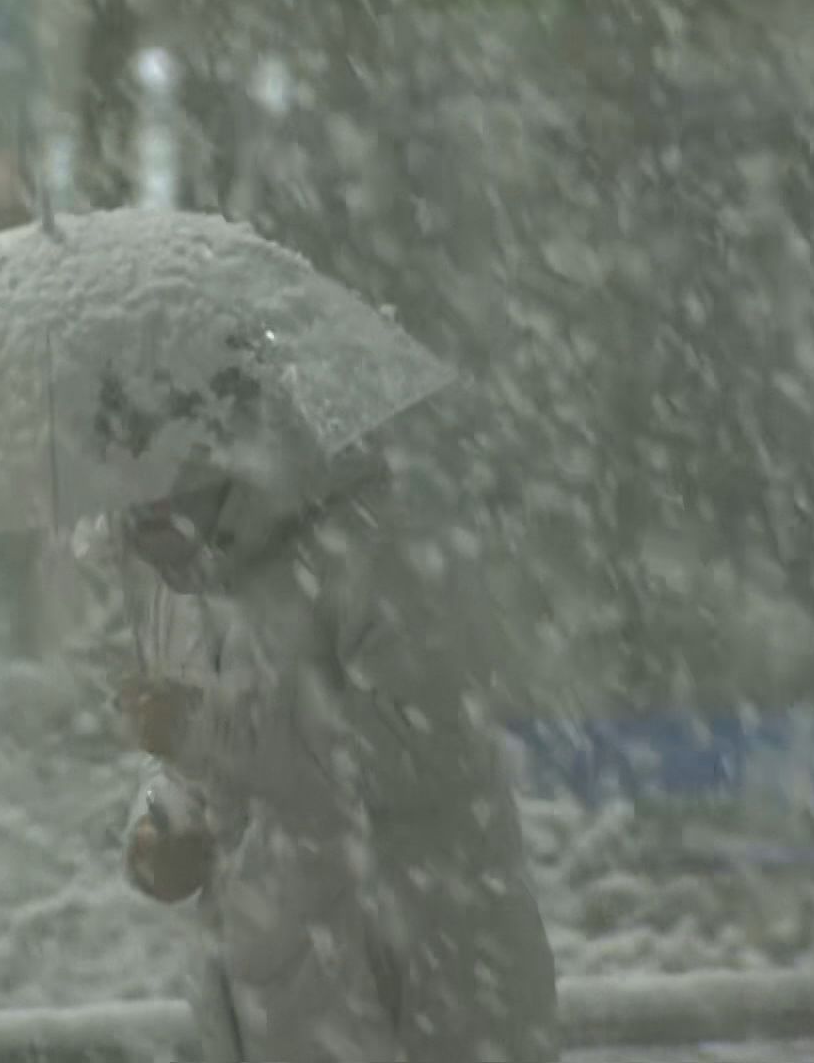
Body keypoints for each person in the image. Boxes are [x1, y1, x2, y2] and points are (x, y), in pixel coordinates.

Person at [110, 437, 561, 1062]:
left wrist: (202, 729)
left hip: (415, 993)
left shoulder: (378, 546)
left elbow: (417, 753)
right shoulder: (183, 575)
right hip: (271, 1011)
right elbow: (207, 769)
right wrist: (165, 821)